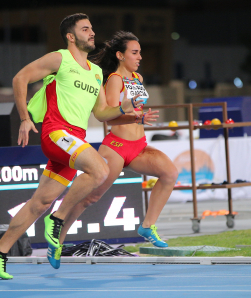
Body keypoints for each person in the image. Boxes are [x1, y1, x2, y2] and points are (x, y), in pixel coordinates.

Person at [0, 13, 149, 280]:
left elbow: (101, 113)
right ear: (71, 37)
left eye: (92, 28)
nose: (92, 33)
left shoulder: (96, 73)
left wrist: (125, 109)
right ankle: (58, 219)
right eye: (85, 29)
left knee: (40, 203)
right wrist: (25, 118)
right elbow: (19, 78)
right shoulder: (59, 59)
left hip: (74, 141)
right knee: (100, 170)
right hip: (56, 133)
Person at [52, 31, 178, 269]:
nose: (139, 57)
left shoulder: (137, 78)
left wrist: (140, 118)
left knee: (170, 173)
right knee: (91, 196)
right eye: (134, 52)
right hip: (117, 148)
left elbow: (133, 113)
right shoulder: (114, 80)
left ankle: (147, 226)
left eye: (140, 52)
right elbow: (108, 118)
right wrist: (133, 117)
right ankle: (57, 239)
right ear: (120, 55)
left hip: (139, 147)